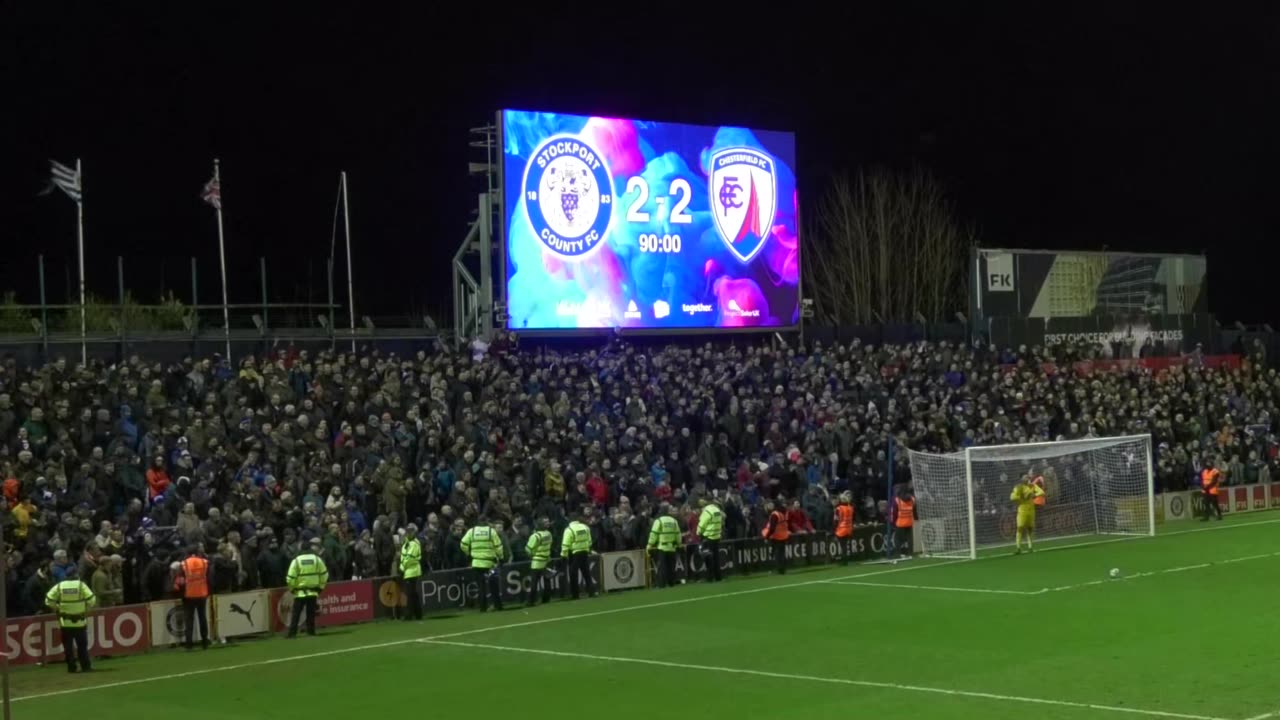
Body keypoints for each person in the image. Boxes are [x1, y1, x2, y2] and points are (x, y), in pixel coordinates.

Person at [44, 566, 96, 673]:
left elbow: (48, 600)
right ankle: (85, 667)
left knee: (68, 647)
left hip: (65, 623)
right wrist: (86, 609)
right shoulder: (81, 585)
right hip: (80, 622)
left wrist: (57, 608)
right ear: (76, 574)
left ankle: (71, 667)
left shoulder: (59, 586)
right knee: (82, 646)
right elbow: (92, 600)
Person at [285, 537, 330, 638]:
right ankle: (311, 631)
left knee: (296, 614)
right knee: (311, 613)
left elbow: (290, 578)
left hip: (300, 592)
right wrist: (321, 587)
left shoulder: (296, 561)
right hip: (313, 591)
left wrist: (292, 588)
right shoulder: (317, 559)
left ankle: (292, 633)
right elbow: (324, 574)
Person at [460, 516, 505, 612]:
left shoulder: (471, 531)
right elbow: (498, 546)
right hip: (490, 563)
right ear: (486, 522)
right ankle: (498, 605)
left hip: (477, 563)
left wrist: (468, 554)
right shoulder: (491, 531)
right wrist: (501, 558)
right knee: (494, 585)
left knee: (481, 586)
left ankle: (483, 607)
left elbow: (463, 544)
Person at [175, 545, 211, 650]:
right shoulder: (204, 562)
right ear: (197, 552)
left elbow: (180, 581)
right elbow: (209, 578)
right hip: (202, 593)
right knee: (202, 618)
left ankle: (189, 644)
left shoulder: (184, 564)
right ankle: (205, 642)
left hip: (189, 595)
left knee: (189, 620)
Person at [559, 513, 596, 599]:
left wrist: (563, 556)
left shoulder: (569, 529)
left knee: (573, 574)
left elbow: (565, 545)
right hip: (585, 553)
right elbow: (590, 541)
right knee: (587, 573)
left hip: (574, 554)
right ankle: (591, 592)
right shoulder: (585, 527)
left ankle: (575, 594)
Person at [647, 503, 680, 588]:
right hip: (672, 547)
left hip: (662, 547)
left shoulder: (659, 521)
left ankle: (661, 584)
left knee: (662, 567)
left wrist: (650, 544)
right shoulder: (674, 521)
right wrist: (678, 543)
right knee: (671, 567)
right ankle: (671, 583)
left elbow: (654, 534)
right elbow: (678, 534)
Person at [1010, 475, 1046, 554]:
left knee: (1030, 529)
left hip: (1031, 510)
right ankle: (1018, 548)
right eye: (1025, 477)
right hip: (1022, 510)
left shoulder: (1032, 486)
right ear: (1021, 479)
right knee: (1020, 528)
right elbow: (1012, 497)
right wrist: (1021, 497)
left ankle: (1030, 547)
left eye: (1027, 477)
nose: (1027, 478)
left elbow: (1042, 492)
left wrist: (1035, 495)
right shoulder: (1019, 487)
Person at [525, 517, 554, 607]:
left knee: (534, 583)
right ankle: (546, 598)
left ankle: (531, 601)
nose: (548, 523)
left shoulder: (535, 536)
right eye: (546, 522)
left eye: (547, 521)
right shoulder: (549, 534)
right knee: (547, 580)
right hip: (546, 560)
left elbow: (528, 549)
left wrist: (532, 555)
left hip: (537, 561)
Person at [399, 524, 423, 620]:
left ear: (414, 532)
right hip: (409, 571)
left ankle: (409, 615)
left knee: (409, 594)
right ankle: (417, 614)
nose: (409, 533)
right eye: (408, 531)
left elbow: (409, 559)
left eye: (411, 531)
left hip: (411, 571)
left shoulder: (414, 544)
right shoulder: (407, 542)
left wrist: (401, 567)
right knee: (413, 594)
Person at [696, 499, 724, 582]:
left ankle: (710, 577)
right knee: (716, 558)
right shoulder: (717, 510)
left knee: (708, 558)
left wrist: (698, 532)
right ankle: (718, 577)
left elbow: (702, 524)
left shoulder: (707, 511)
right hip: (716, 536)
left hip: (708, 537)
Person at [761, 500, 790, 574]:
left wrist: (767, 537)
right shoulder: (782, 513)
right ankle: (783, 569)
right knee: (782, 553)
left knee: (777, 553)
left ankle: (779, 569)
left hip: (776, 536)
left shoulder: (774, 514)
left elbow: (772, 528)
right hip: (784, 535)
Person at [890, 487, 916, 558]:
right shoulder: (912, 499)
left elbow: (893, 512)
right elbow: (914, 510)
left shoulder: (897, 500)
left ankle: (898, 553)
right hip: (909, 522)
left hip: (900, 523)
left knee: (897, 539)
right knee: (910, 538)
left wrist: (892, 523)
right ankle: (910, 553)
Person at [833, 492, 855, 566]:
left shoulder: (839, 509)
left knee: (843, 546)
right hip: (849, 529)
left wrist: (834, 530)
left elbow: (836, 520)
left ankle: (844, 561)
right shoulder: (850, 507)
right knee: (845, 545)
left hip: (841, 530)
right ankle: (845, 560)